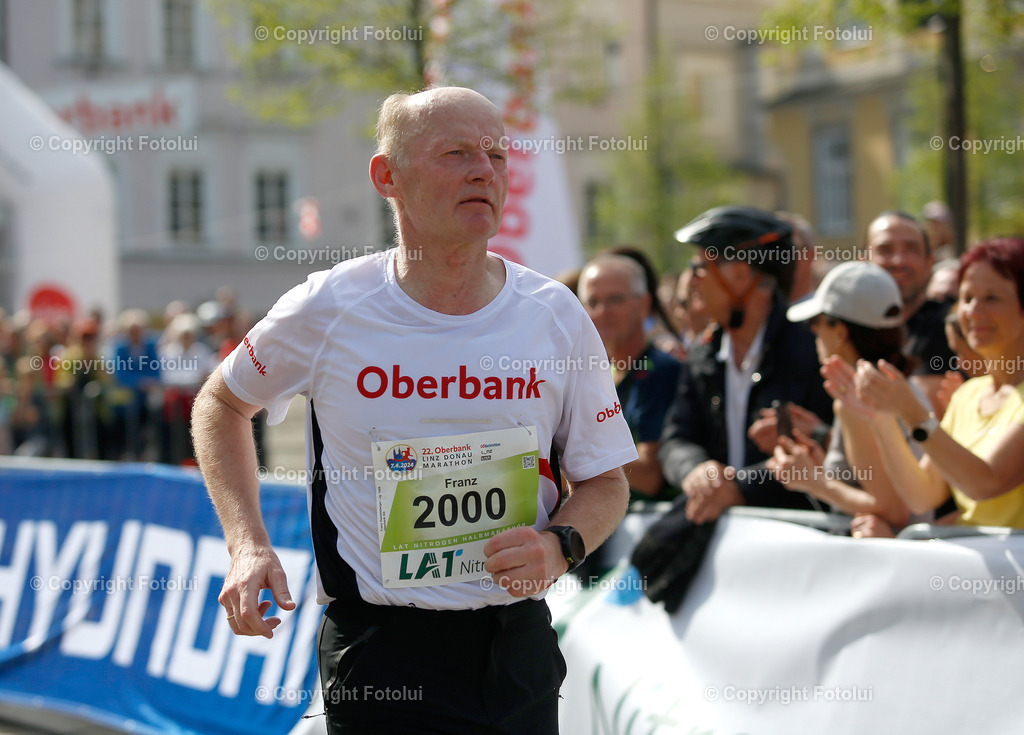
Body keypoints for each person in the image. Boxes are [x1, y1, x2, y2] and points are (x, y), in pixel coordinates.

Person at [191, 86, 635, 734]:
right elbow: (221, 401)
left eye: (496, 154)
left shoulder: (555, 316)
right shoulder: (330, 306)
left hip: (514, 648)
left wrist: (559, 545)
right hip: (382, 652)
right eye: (456, 152)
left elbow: (606, 482)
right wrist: (246, 543)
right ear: (387, 176)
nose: (484, 169)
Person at [658, 206, 834, 523]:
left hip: (798, 543)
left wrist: (741, 488)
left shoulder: (812, 351)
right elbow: (676, 439)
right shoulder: (703, 353)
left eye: (700, 267)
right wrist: (697, 470)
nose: (692, 280)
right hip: (725, 538)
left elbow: (829, 453)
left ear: (740, 274)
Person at [848, 237, 1024, 529]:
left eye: (992, 298)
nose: (974, 311)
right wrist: (883, 416)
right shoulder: (968, 395)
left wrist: (913, 413)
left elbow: (985, 482)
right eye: (966, 298)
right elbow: (923, 495)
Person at [767, 261, 913, 531]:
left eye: (817, 320)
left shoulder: (854, 401)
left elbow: (893, 511)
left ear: (841, 332)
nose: (812, 330)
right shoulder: (901, 388)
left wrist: (812, 481)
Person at [578, 253, 682, 501]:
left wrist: (573, 463)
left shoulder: (662, 370)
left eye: (615, 299)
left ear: (644, 305)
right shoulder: (594, 373)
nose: (603, 311)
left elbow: (649, 475)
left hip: (650, 527)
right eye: (592, 302)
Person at [864, 211, 956, 413]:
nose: (898, 261)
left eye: (911, 250)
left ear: (929, 263)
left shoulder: (948, 327)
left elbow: (924, 416)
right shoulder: (854, 328)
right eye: (885, 249)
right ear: (864, 262)